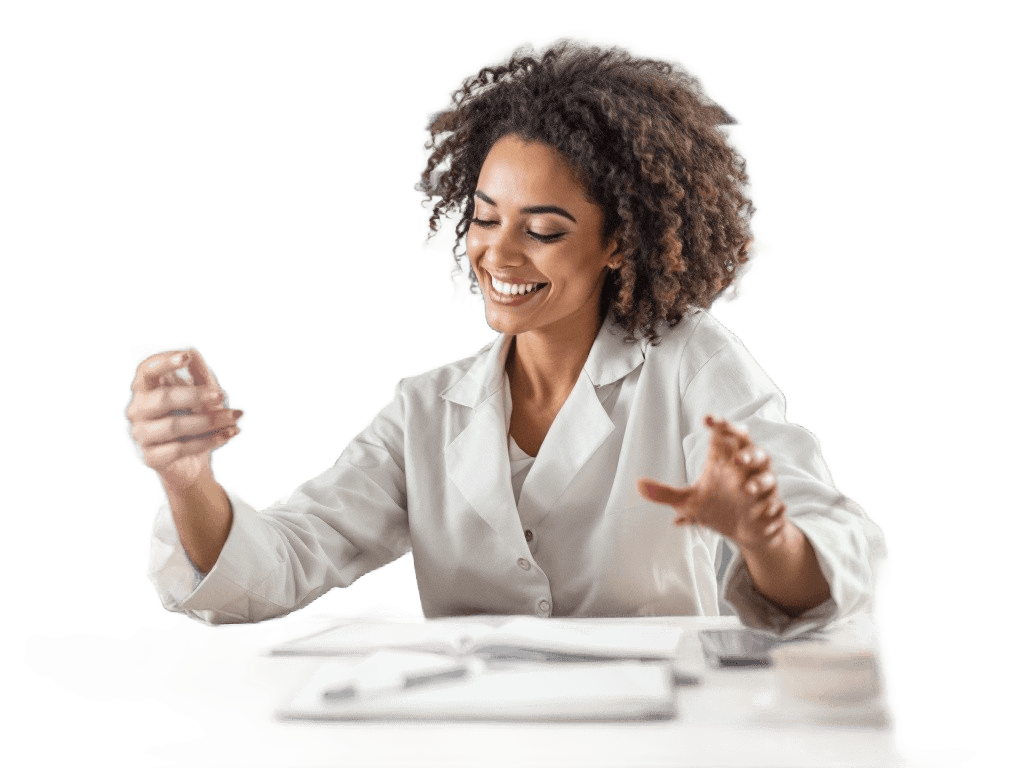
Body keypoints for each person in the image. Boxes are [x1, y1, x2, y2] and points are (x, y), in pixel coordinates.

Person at [125, 39, 886, 637]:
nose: (500, 254)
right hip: (467, 739)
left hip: (655, 743)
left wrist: (768, 536)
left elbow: (838, 547)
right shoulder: (425, 409)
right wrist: (190, 481)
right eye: (485, 219)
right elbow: (279, 565)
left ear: (620, 241)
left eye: (545, 229)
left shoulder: (692, 363)